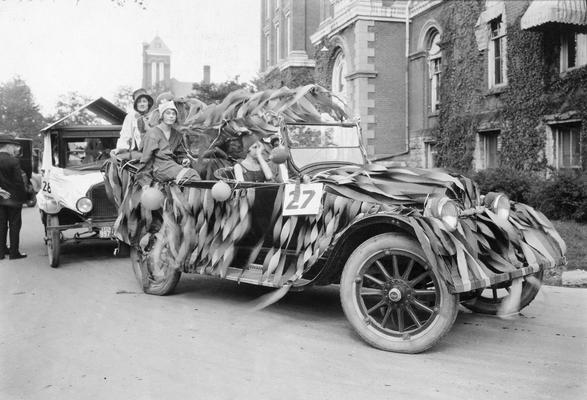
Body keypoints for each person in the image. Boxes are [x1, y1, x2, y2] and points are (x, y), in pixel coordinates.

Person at [136, 100, 200, 187]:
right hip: (159, 168)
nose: (171, 116)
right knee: (191, 174)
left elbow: (180, 154)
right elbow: (146, 159)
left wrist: (184, 159)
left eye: (173, 114)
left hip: (172, 165)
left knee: (196, 171)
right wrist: (145, 182)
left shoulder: (177, 134)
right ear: (162, 116)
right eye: (168, 113)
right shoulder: (152, 133)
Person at [0, 134, 27, 259]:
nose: (14, 149)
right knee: (15, 225)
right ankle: (14, 253)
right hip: (14, 199)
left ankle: (1, 252)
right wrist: (24, 197)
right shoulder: (13, 161)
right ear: (8, 146)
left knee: (1, 225)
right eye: (13, 146)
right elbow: (18, 181)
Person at [114, 88, 154, 153]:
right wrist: (121, 148)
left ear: (148, 103)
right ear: (135, 104)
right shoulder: (130, 117)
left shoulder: (154, 115)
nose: (142, 104)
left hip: (152, 149)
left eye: (144, 101)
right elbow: (125, 135)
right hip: (137, 150)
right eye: (139, 102)